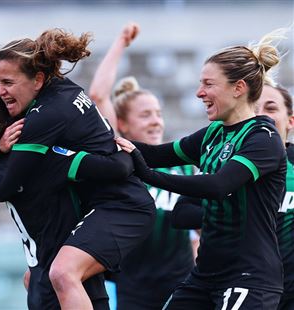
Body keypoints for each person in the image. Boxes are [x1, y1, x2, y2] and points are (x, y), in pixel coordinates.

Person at [116, 29, 287, 309]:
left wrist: (149, 176)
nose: (200, 93)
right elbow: (156, 154)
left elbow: (219, 186)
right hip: (206, 275)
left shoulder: (262, 138)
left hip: (248, 276)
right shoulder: (212, 134)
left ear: (238, 88)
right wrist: (101, 141)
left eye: (208, 84)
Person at [0, 28, 156, 309]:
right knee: (43, 277)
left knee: (62, 273)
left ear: (38, 79)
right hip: (103, 207)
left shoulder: (45, 117)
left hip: (121, 207)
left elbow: (5, 187)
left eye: (7, 81)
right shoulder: (64, 88)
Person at [0, 83, 137, 309]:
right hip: (69, 283)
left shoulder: (3, 164)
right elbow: (116, 168)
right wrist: (125, 152)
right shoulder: (47, 160)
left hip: (40, 280)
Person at [89, 22, 197, 309]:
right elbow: (98, 96)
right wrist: (120, 43)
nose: (156, 121)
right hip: (134, 282)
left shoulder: (183, 167)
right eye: (145, 115)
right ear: (121, 124)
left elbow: (200, 231)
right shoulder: (121, 164)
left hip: (181, 279)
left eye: (158, 114)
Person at [256, 82, 294, 310]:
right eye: (254, 109)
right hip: (250, 289)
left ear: (290, 120)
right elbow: (183, 214)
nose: (261, 116)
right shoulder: (228, 165)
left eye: (270, 108)